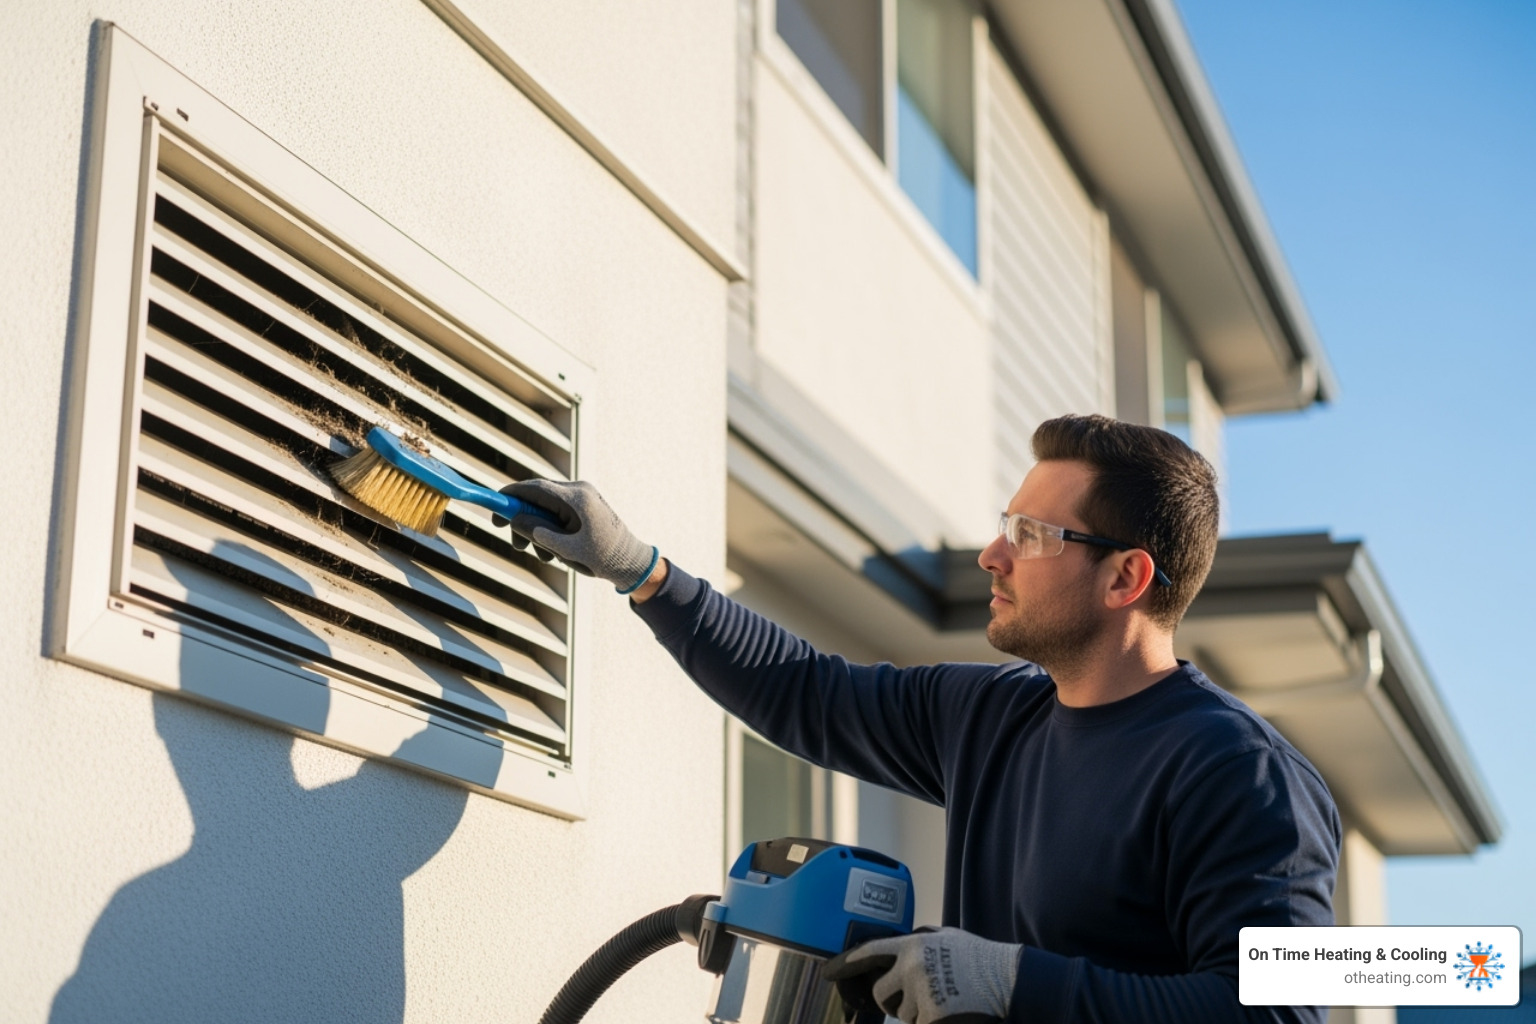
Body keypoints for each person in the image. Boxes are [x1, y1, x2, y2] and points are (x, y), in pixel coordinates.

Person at [496, 414, 1341, 1024]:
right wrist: (640, 570)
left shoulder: (1239, 774)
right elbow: (804, 691)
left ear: (1126, 579)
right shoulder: (992, 716)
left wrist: (1012, 982)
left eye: (1031, 533)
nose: (992, 554)